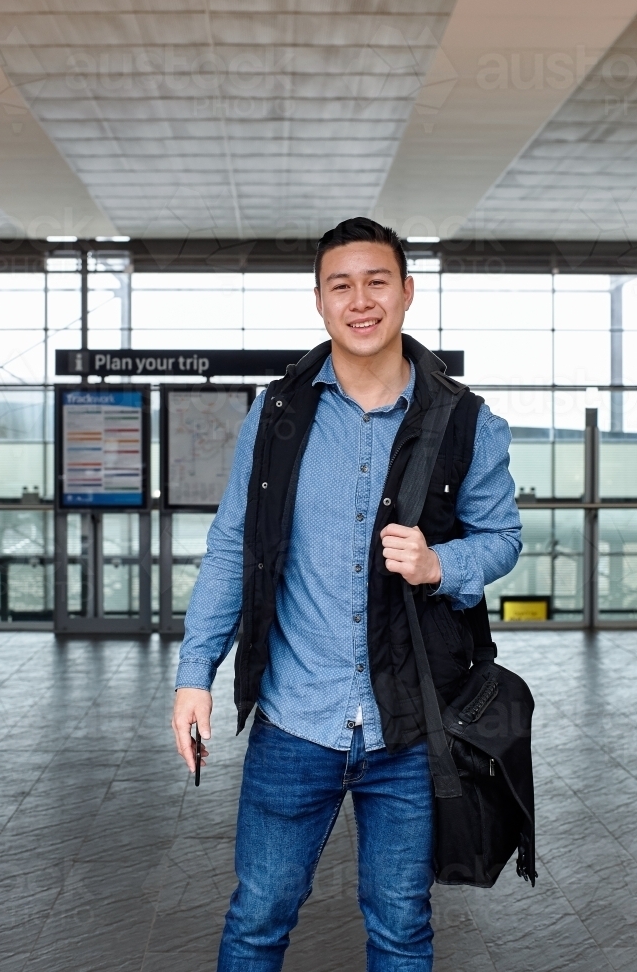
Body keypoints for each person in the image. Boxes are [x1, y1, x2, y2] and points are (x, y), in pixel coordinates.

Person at [172, 217, 522, 972]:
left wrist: (439, 564)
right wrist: (194, 674)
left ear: (405, 293)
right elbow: (233, 546)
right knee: (258, 916)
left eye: (376, 282)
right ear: (320, 301)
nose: (359, 300)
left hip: (409, 727)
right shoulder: (275, 416)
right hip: (294, 720)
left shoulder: (466, 422)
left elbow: (502, 540)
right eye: (341, 285)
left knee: (400, 927)